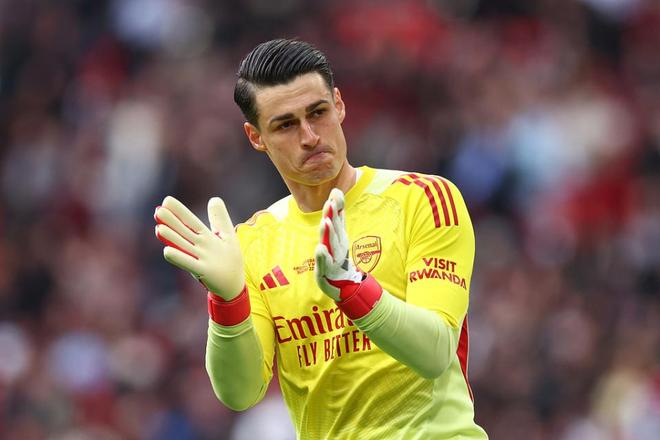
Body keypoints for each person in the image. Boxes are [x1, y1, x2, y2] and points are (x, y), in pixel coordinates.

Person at [154, 38, 488, 439]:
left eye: (318, 112)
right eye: (286, 125)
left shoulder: (423, 199)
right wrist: (227, 303)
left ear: (339, 105)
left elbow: (435, 352)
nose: (310, 136)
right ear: (256, 136)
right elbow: (240, 393)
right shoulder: (253, 244)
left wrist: (353, 288)